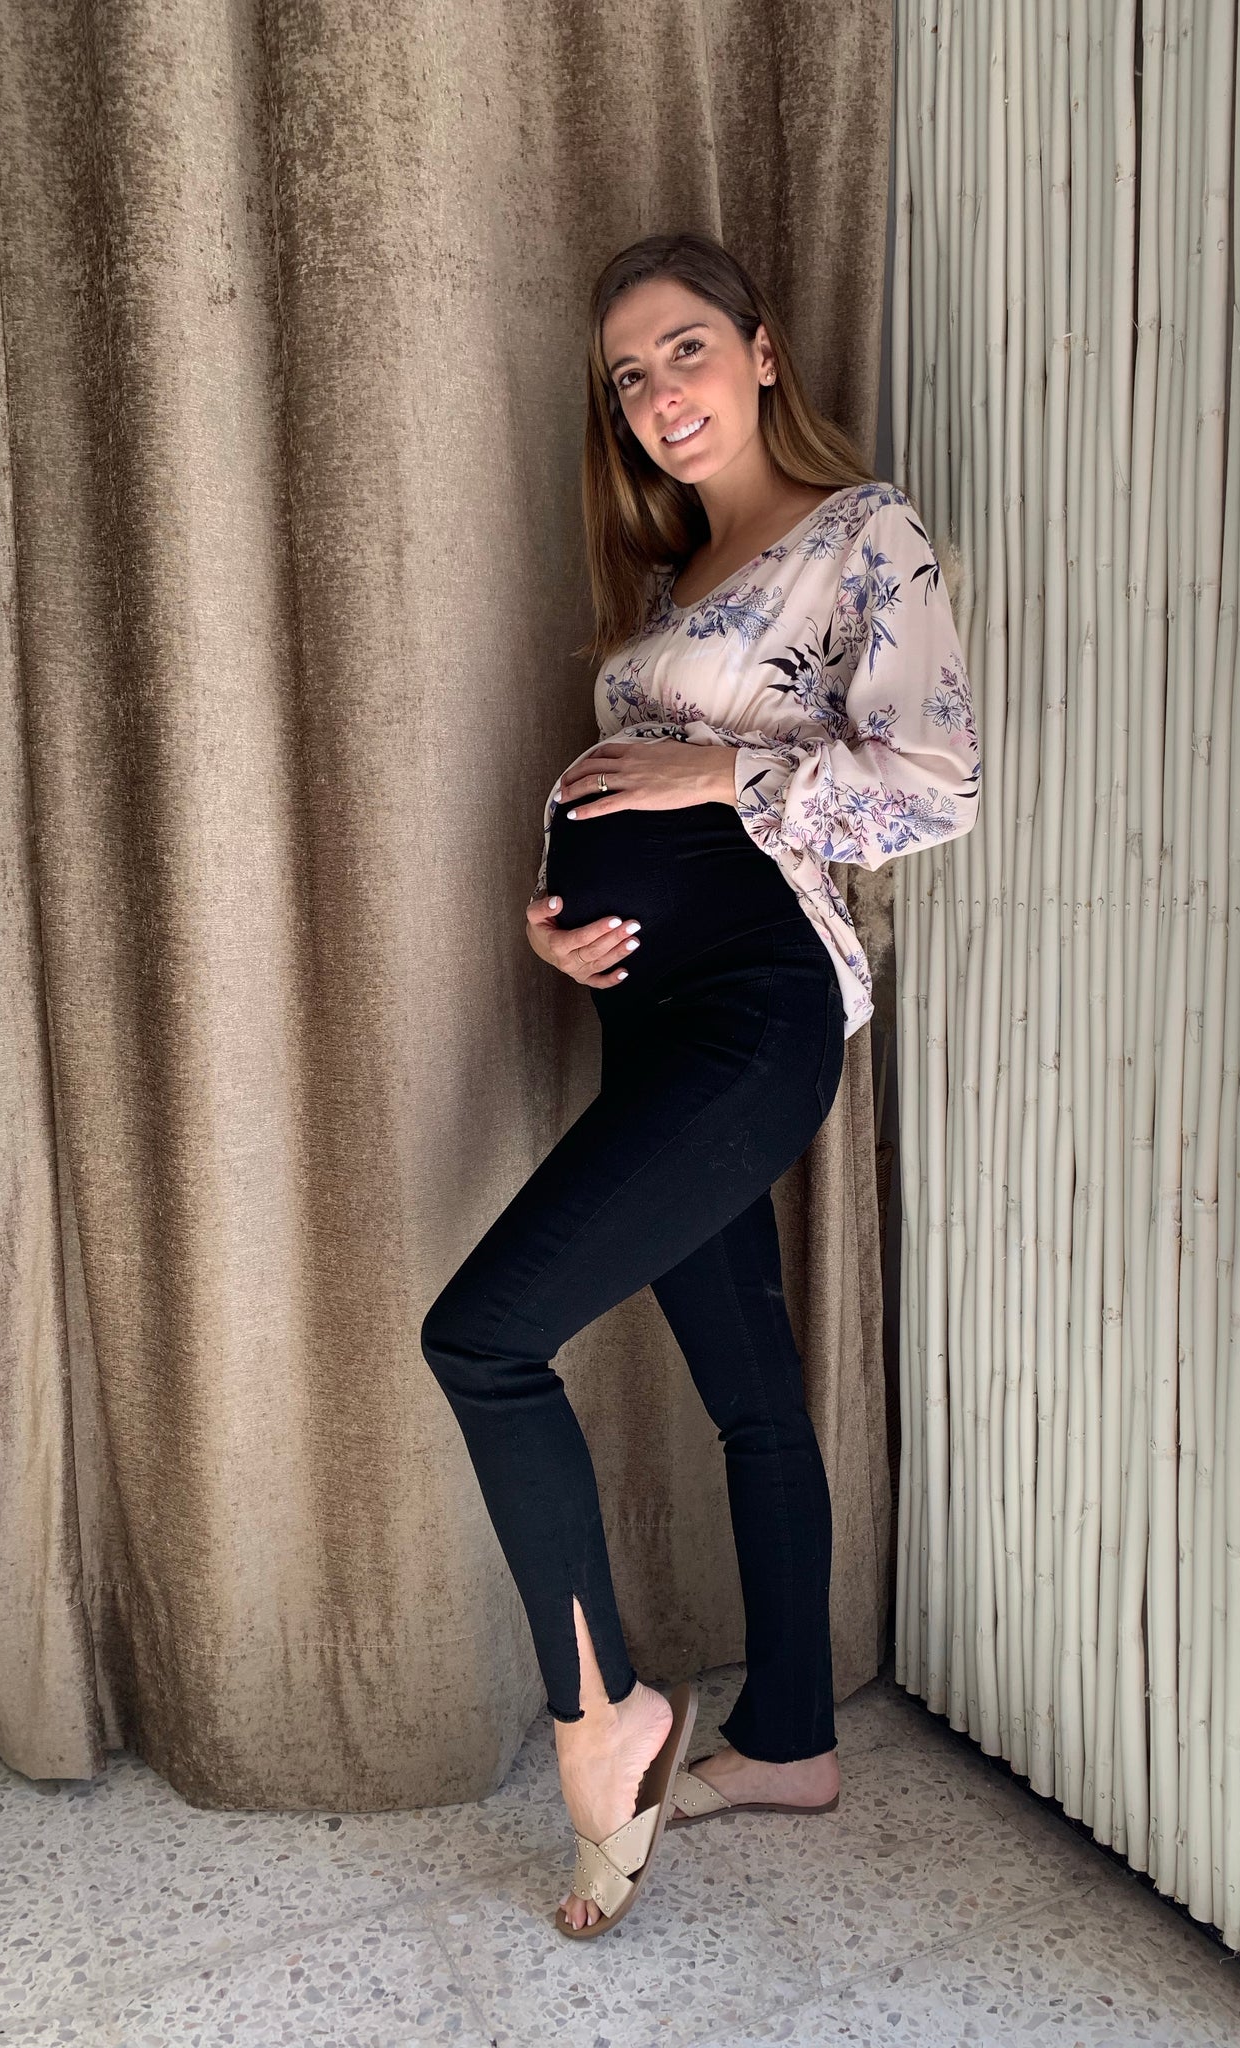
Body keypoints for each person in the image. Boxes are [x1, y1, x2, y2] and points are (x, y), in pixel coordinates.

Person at [420, 230, 980, 1937]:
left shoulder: (861, 532)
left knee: (485, 1336)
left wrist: (714, 772)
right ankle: (793, 1739)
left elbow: (934, 782)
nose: (658, 394)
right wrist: (557, 915)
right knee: (750, 1393)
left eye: (682, 350)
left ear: (759, 350)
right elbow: (641, 792)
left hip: (756, 1015)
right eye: (627, 377)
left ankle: (602, 1716)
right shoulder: (676, 584)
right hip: (651, 1017)